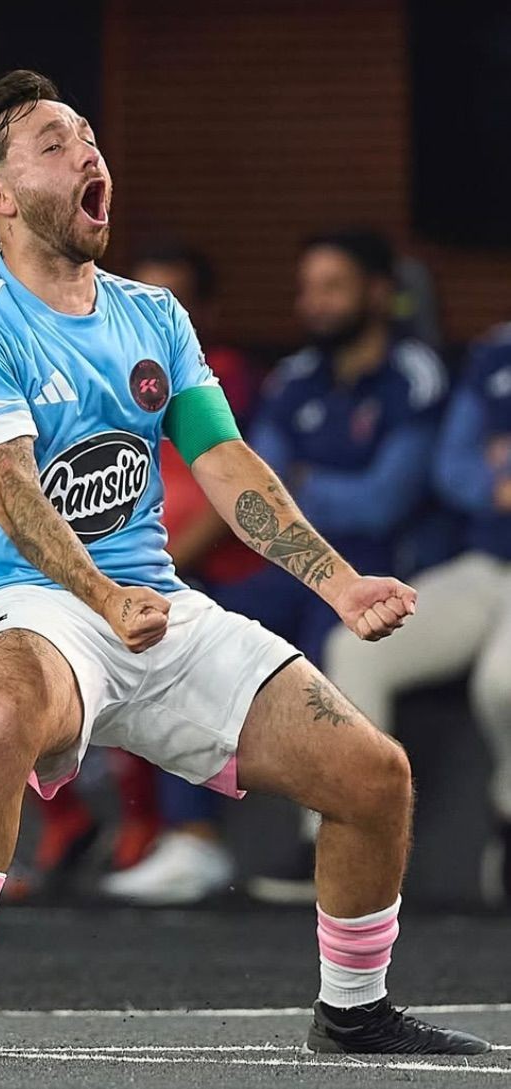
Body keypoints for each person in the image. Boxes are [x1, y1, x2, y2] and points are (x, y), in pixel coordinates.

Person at [0, 70, 489, 1059]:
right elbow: (9, 487)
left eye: (89, 136)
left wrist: (338, 582)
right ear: (0, 195)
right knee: (1, 717)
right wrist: (100, 596)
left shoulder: (153, 317)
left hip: (155, 606)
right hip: (26, 603)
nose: (88, 153)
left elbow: (224, 462)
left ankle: (353, 1011)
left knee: (375, 776)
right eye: (54, 143)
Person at [211, 230, 447, 904]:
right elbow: (255, 486)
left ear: (379, 292)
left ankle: (328, 844)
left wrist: (303, 486)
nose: (314, 303)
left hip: (382, 569)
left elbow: (384, 500)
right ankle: (188, 838)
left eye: (333, 287)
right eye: (307, 288)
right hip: (290, 563)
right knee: (195, 621)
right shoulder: (293, 378)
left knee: (334, 644)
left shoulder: (414, 374)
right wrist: (302, 491)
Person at [100, 242, 262, 904]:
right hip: (139, 573)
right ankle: (124, 822)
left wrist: (154, 569)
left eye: (172, 304)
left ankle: (193, 835)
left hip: (231, 573)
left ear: (205, 313)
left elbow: (230, 494)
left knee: (170, 634)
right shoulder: (108, 378)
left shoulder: (221, 376)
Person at [326, 326, 511, 904]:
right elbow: (453, 467)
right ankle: (351, 841)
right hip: (486, 562)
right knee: (357, 647)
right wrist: (496, 482)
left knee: (503, 681)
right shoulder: (497, 352)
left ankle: (508, 819)